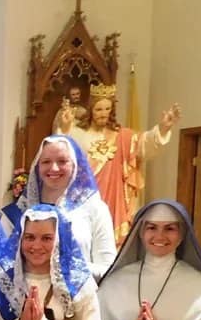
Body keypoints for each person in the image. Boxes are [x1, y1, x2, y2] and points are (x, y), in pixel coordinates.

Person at [58, 87, 180, 245]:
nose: (103, 113)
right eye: (99, 109)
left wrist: (163, 128)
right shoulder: (78, 134)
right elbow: (61, 152)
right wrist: (65, 129)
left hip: (116, 202)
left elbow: (143, 145)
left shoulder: (122, 136)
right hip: (85, 198)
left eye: (107, 108)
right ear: (90, 110)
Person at [20, 134, 116, 274]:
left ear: (75, 165)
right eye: (46, 162)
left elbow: (107, 270)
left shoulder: (95, 209)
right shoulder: (21, 210)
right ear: (37, 166)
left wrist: (65, 266)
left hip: (79, 294)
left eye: (62, 161)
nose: (54, 168)